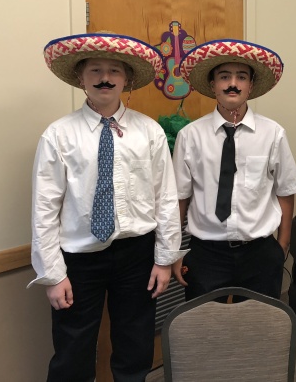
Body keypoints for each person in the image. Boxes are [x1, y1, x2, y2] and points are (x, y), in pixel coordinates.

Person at [31, 32, 186, 382]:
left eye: (114, 71)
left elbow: (165, 197)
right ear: (80, 78)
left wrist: (165, 259)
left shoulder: (149, 132)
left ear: (126, 79)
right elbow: (44, 208)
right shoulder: (59, 135)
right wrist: (53, 274)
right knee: (72, 350)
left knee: (135, 344)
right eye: (96, 70)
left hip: (137, 254)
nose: (105, 78)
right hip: (79, 257)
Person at [172, 39, 296, 300]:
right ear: (213, 85)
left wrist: (283, 244)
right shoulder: (190, 136)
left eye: (241, 77)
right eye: (224, 76)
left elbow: (285, 190)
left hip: (260, 252)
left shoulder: (273, 134)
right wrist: (174, 250)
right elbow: (180, 198)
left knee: (257, 327)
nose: (233, 83)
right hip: (206, 253)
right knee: (207, 328)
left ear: (250, 86)